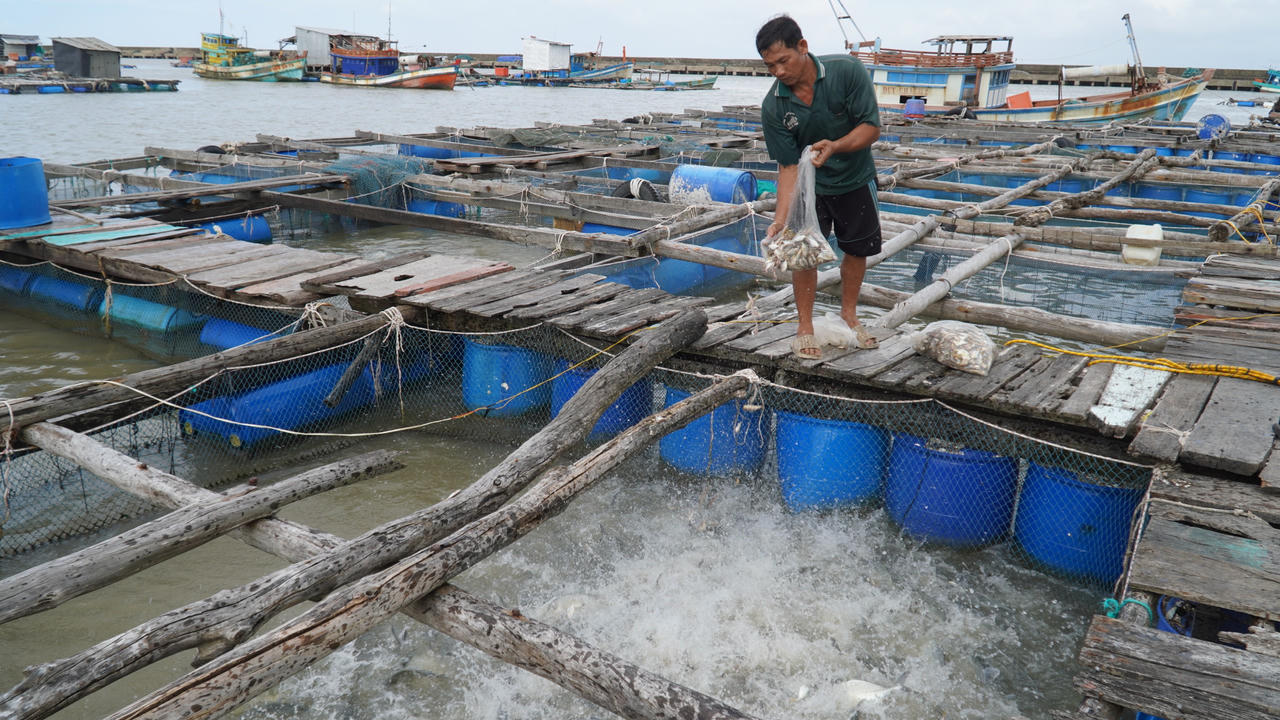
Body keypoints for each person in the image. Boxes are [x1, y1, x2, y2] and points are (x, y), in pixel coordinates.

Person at [756, 14, 882, 359]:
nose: (779, 72)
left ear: (803, 47)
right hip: (808, 190)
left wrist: (836, 146)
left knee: (857, 250)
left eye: (783, 61)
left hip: (855, 177)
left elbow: (871, 128)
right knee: (803, 253)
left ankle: (849, 313)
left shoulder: (847, 71)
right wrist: (780, 221)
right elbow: (788, 167)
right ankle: (805, 326)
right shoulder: (774, 105)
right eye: (770, 66)